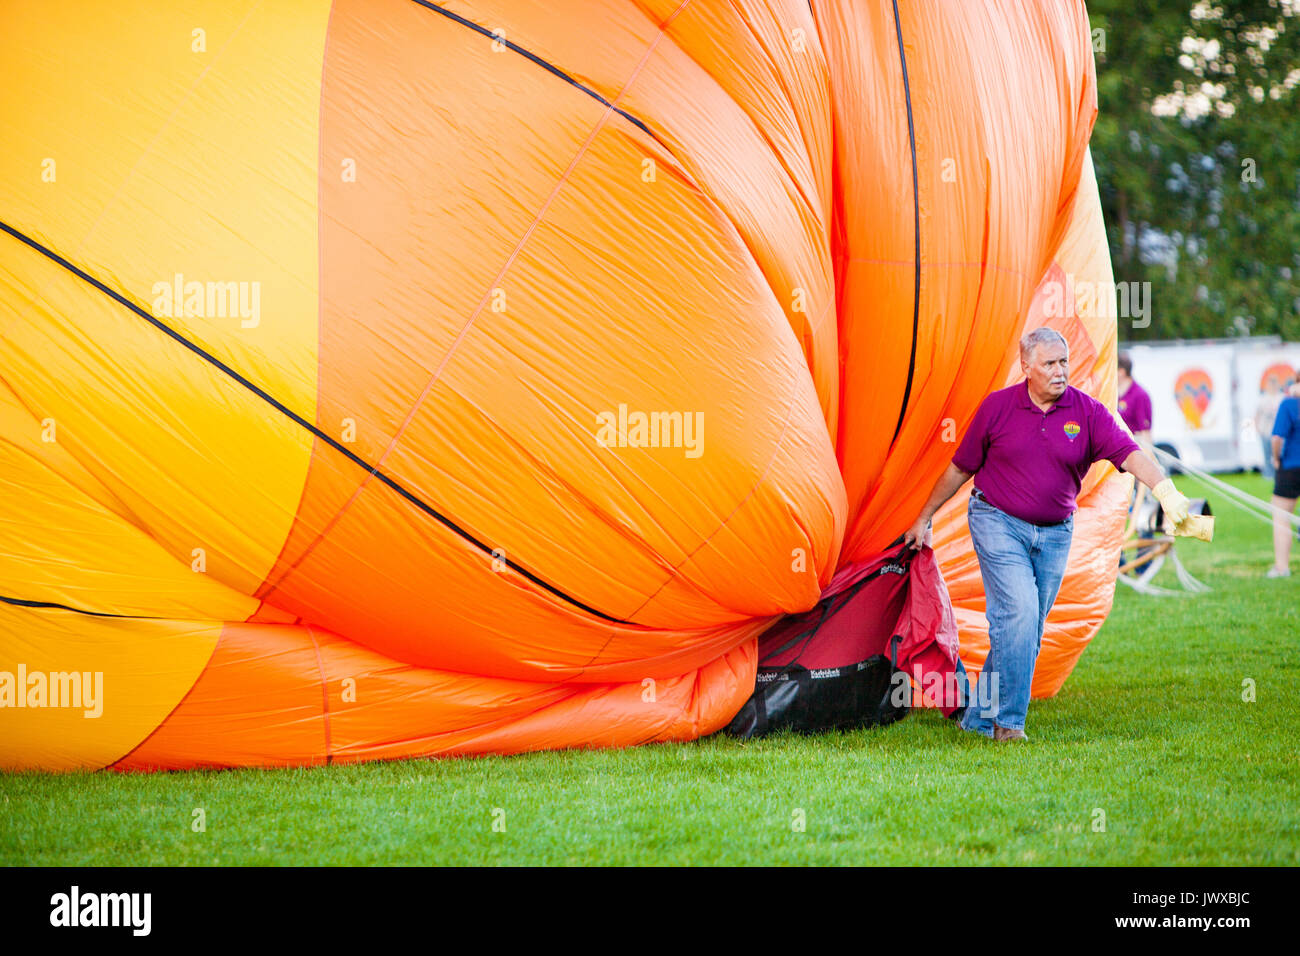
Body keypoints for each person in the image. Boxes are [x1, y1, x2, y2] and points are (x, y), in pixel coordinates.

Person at [903, 327, 1191, 741]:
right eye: (1050, 364)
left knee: (1026, 629)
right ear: (1026, 367)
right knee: (1017, 616)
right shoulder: (997, 409)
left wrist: (1166, 492)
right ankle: (1008, 726)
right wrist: (924, 517)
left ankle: (978, 717)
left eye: (1064, 362)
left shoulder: (1087, 412)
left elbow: (1129, 452)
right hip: (996, 520)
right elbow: (960, 468)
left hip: (1056, 533)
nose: (1060, 372)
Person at [1267, 381, 1300, 578]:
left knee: (1281, 516)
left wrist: (1276, 458)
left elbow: (1276, 438)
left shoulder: (1289, 404)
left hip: (1291, 467)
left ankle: (1282, 567)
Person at [1116, 351, 1153, 454]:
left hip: (1133, 453)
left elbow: (1145, 434)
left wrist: (1146, 461)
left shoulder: (1140, 395)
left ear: (1121, 372)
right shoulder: (1114, 394)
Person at [1256, 378, 1286, 480]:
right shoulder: (1263, 398)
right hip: (1265, 431)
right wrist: (1257, 428)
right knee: (1267, 454)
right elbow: (1257, 415)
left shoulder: (1282, 398)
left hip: (1278, 432)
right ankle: (1268, 474)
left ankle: (1279, 473)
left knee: (1278, 454)